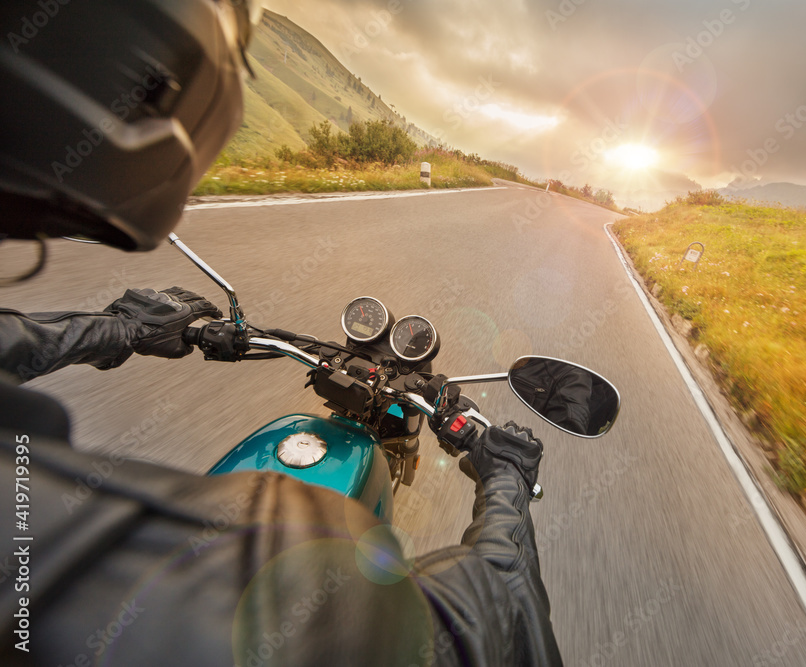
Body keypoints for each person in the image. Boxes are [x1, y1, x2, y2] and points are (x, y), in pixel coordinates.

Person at [0, 1, 561, 665]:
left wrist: (118, 327)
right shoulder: (276, 618)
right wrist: (506, 483)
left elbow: (18, 340)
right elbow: (484, 621)